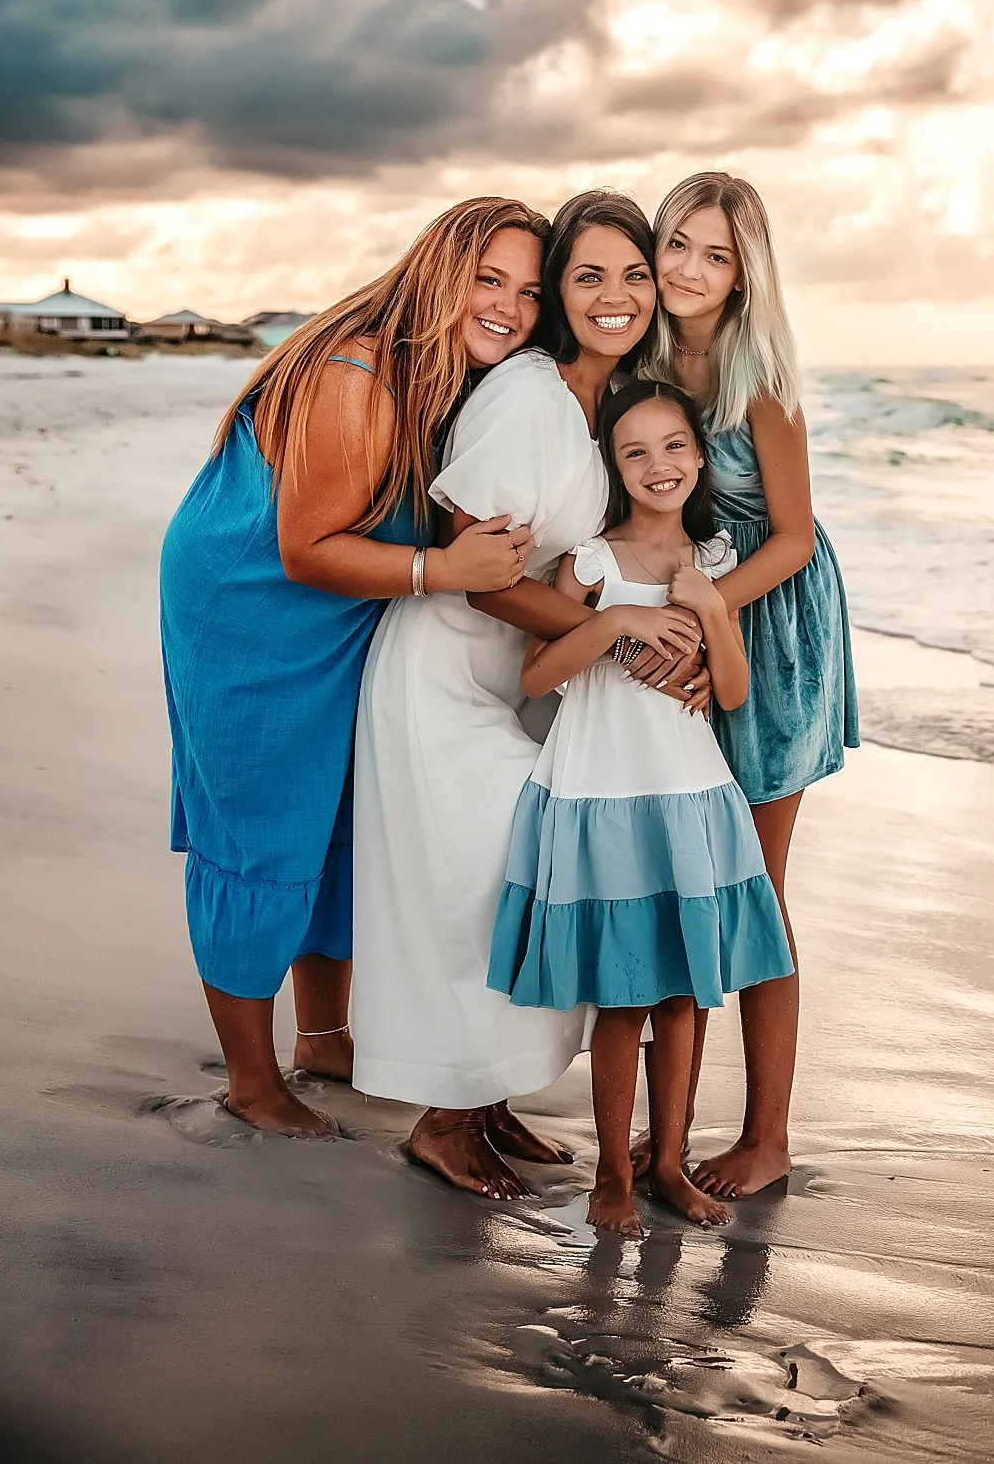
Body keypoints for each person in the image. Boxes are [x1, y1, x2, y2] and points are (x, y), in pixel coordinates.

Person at [160, 198, 547, 1138]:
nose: (508, 306)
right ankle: (250, 1080)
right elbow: (304, 547)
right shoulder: (358, 373)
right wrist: (442, 570)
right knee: (263, 828)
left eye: (530, 291)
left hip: (351, 602)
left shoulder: (451, 372)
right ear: (438, 270)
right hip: (253, 603)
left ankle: (324, 1038)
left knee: (337, 817)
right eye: (487, 279)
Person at [352, 193, 710, 1199]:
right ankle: (446, 1118)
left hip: (505, 676)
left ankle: (491, 1096)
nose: (615, 295)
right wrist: (612, 634)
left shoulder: (600, 405)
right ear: (564, 293)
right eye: (588, 275)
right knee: (497, 877)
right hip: (440, 676)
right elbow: (471, 561)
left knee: (514, 879)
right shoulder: (528, 393)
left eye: (633, 274)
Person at [488, 380, 795, 1238]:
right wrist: (615, 621)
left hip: (692, 795)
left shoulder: (718, 562)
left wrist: (709, 611)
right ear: (614, 469)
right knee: (623, 999)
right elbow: (534, 677)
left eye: (673, 447)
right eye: (636, 451)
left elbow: (730, 692)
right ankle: (611, 1175)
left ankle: (668, 1161)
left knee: (686, 996)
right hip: (602, 794)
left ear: (699, 458)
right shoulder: (590, 561)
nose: (658, 465)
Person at [642, 172, 859, 1197]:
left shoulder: (758, 378)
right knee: (676, 876)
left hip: (771, 631)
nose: (687, 268)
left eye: (714, 254)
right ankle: (663, 1133)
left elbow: (790, 536)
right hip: (691, 618)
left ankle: (766, 1136)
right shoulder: (637, 357)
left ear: (742, 274)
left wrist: (703, 608)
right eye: (677, 242)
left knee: (755, 895)